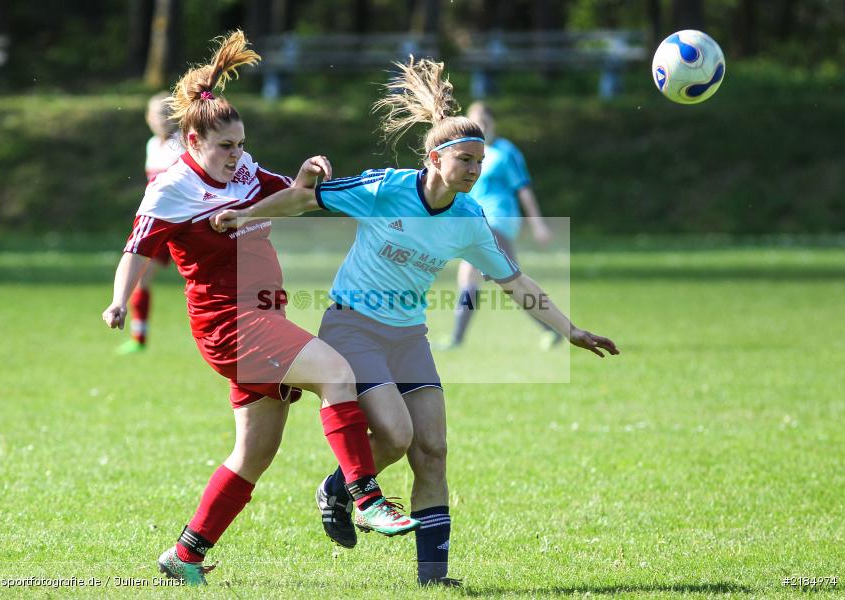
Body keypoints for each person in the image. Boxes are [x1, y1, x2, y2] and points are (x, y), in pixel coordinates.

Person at [210, 57, 620, 587]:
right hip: (352, 327)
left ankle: (432, 577)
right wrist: (242, 216)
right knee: (398, 436)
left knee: (432, 449)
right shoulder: (385, 189)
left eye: (480, 162)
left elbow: (516, 282)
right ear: (434, 158)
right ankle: (345, 488)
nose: (475, 170)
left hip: (409, 337)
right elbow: (306, 198)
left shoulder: (470, 220)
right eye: (466, 160)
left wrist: (570, 330)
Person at [101, 31, 420, 586]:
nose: (238, 155)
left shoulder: (245, 170)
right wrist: (118, 301)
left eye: (242, 143)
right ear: (192, 141)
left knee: (253, 454)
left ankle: (185, 556)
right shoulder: (171, 189)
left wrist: (307, 176)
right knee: (337, 373)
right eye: (225, 146)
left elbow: (295, 199)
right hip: (230, 325)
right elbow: (136, 250)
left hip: (265, 319)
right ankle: (365, 498)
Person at [445, 101, 564, 350]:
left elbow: (523, 188)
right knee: (509, 281)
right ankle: (551, 329)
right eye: (476, 123)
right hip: (477, 222)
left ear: (493, 122)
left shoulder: (505, 152)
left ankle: (456, 339)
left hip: (498, 219)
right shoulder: (466, 154)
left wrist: (537, 223)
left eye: (485, 122)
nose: (482, 127)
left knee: (492, 278)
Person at [117, 92, 184, 354]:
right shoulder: (151, 145)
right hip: (160, 223)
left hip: (184, 223)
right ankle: (139, 337)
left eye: (169, 113)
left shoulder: (184, 143)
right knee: (141, 277)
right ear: (148, 117)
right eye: (158, 113)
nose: (163, 119)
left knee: (199, 279)